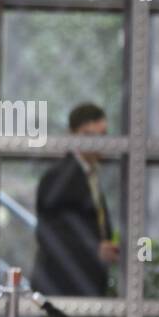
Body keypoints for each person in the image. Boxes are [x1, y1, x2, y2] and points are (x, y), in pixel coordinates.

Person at [31, 103, 116, 297]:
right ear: (72, 135)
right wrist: (95, 249)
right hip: (62, 286)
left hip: (87, 283)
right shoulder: (59, 176)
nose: (97, 142)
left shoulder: (90, 176)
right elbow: (49, 233)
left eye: (102, 135)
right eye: (89, 136)